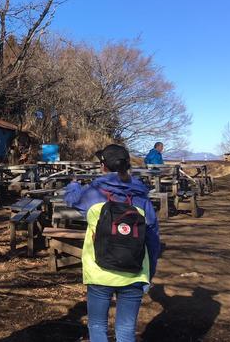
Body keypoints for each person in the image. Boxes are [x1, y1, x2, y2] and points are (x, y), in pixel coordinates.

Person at [64, 144, 160, 342]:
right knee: (126, 329)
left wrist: (73, 184)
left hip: (99, 271)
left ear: (103, 165)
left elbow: (72, 200)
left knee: (97, 326)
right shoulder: (141, 196)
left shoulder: (93, 194)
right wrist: (149, 274)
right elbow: (153, 239)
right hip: (134, 272)